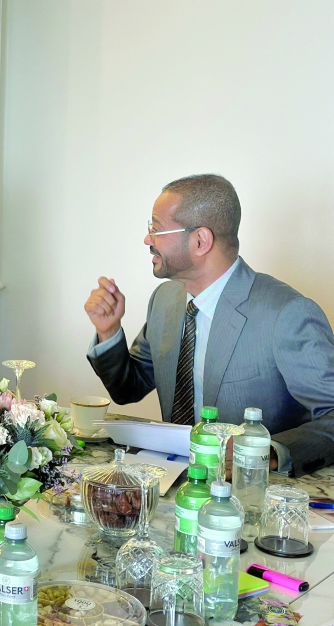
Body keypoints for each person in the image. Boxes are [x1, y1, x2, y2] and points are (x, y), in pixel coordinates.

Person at [84, 174, 334, 477]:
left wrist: (266, 453)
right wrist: (109, 331)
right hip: (173, 485)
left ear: (201, 240)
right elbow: (128, 388)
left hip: (251, 499)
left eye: (157, 229)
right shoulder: (165, 300)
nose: (148, 240)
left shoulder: (287, 313)